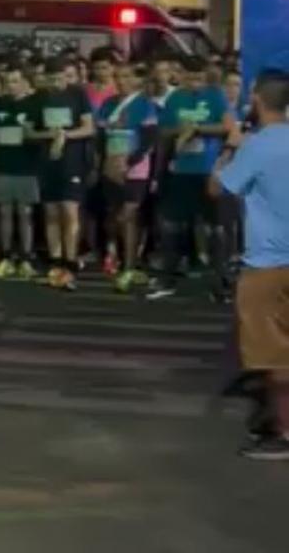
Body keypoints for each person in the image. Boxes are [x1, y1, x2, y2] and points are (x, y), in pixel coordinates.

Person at [213, 70, 289, 460]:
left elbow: (220, 187)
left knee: (272, 353)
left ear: (257, 101)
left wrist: (231, 145)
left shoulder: (258, 145)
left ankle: (282, 432)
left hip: (268, 263)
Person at [147, 55, 234, 300]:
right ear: (181, 76)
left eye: (199, 77)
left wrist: (198, 129)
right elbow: (163, 131)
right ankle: (168, 279)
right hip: (181, 170)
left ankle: (219, 283)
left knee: (214, 230)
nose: (195, 82)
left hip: (208, 170)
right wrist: (180, 131)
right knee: (173, 227)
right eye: (190, 77)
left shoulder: (215, 96)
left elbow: (227, 127)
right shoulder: (176, 98)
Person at [31, 58, 95, 290]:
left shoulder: (77, 95)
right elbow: (30, 133)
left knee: (70, 211)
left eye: (61, 78)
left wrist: (65, 135)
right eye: (52, 79)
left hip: (72, 161)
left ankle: (71, 259)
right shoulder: (39, 98)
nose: (57, 83)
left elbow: (89, 127)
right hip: (47, 162)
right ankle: (55, 261)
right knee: (51, 212)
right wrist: (49, 135)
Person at [98, 62, 158, 293]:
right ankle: (117, 253)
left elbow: (149, 140)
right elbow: (101, 137)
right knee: (113, 215)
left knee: (128, 215)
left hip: (135, 169)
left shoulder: (144, 105)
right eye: (118, 77)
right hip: (111, 167)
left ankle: (129, 266)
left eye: (126, 76)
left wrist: (129, 161)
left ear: (136, 80)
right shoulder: (108, 104)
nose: (121, 81)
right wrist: (104, 161)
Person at [0, 67, 40, 280]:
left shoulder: (34, 105)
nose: (11, 85)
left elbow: (40, 135)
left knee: (25, 213)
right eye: (8, 81)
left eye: (16, 81)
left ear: (25, 82)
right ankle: (6, 257)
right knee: (5, 212)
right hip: (3, 166)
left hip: (27, 167)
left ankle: (25, 259)